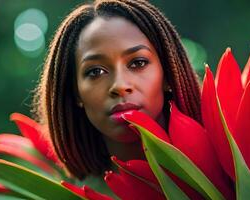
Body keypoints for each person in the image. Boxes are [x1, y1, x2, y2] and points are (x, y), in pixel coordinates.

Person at [32, 0, 202, 184]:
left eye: (138, 63)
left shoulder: (230, 169)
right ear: (76, 93)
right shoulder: (69, 194)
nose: (120, 85)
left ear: (168, 74)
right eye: (96, 71)